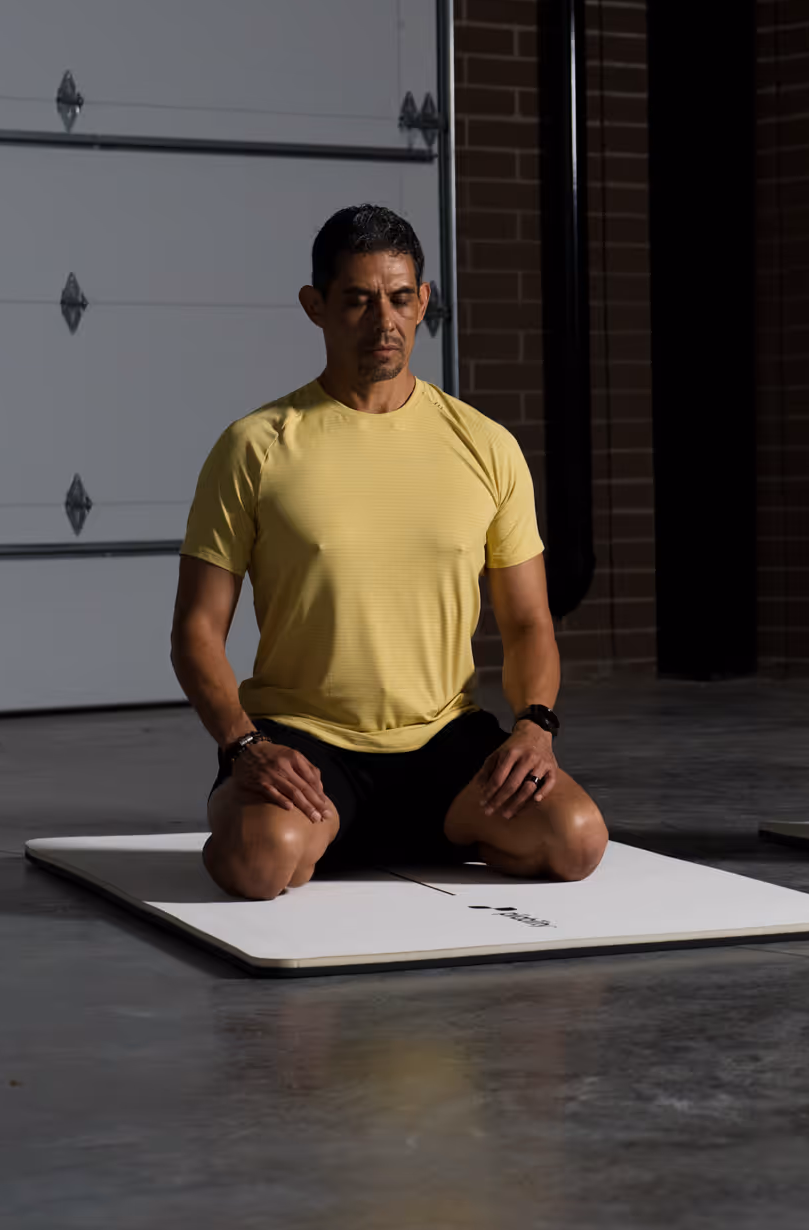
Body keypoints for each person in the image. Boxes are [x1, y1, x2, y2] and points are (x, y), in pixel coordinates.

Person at [169, 205, 608, 900]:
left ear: (424, 301)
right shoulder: (254, 446)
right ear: (315, 306)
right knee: (258, 861)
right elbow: (196, 630)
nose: (385, 322)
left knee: (577, 838)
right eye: (358, 300)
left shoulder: (485, 445)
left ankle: (403, 832)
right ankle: (305, 826)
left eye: (401, 298)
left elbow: (528, 621)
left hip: (445, 742)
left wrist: (535, 727)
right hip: (306, 744)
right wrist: (244, 744)